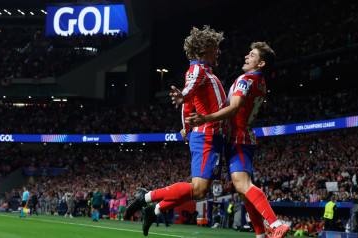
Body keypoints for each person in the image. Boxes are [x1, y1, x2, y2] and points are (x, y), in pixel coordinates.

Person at [124, 25, 226, 236]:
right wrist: (182, 97)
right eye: (216, 48)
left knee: (201, 191)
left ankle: (155, 209)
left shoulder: (206, 72)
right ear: (204, 49)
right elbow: (188, 93)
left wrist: (185, 127)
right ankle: (146, 198)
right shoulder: (198, 69)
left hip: (212, 136)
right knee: (198, 190)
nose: (219, 52)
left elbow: (189, 105)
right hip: (207, 135)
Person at [186, 42, 289, 238]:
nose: (246, 57)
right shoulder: (261, 83)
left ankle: (275, 223)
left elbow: (233, 109)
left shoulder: (246, 79)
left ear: (261, 64)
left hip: (238, 138)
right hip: (244, 137)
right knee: (244, 193)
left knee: (243, 185)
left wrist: (205, 118)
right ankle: (260, 234)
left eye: (252, 55)